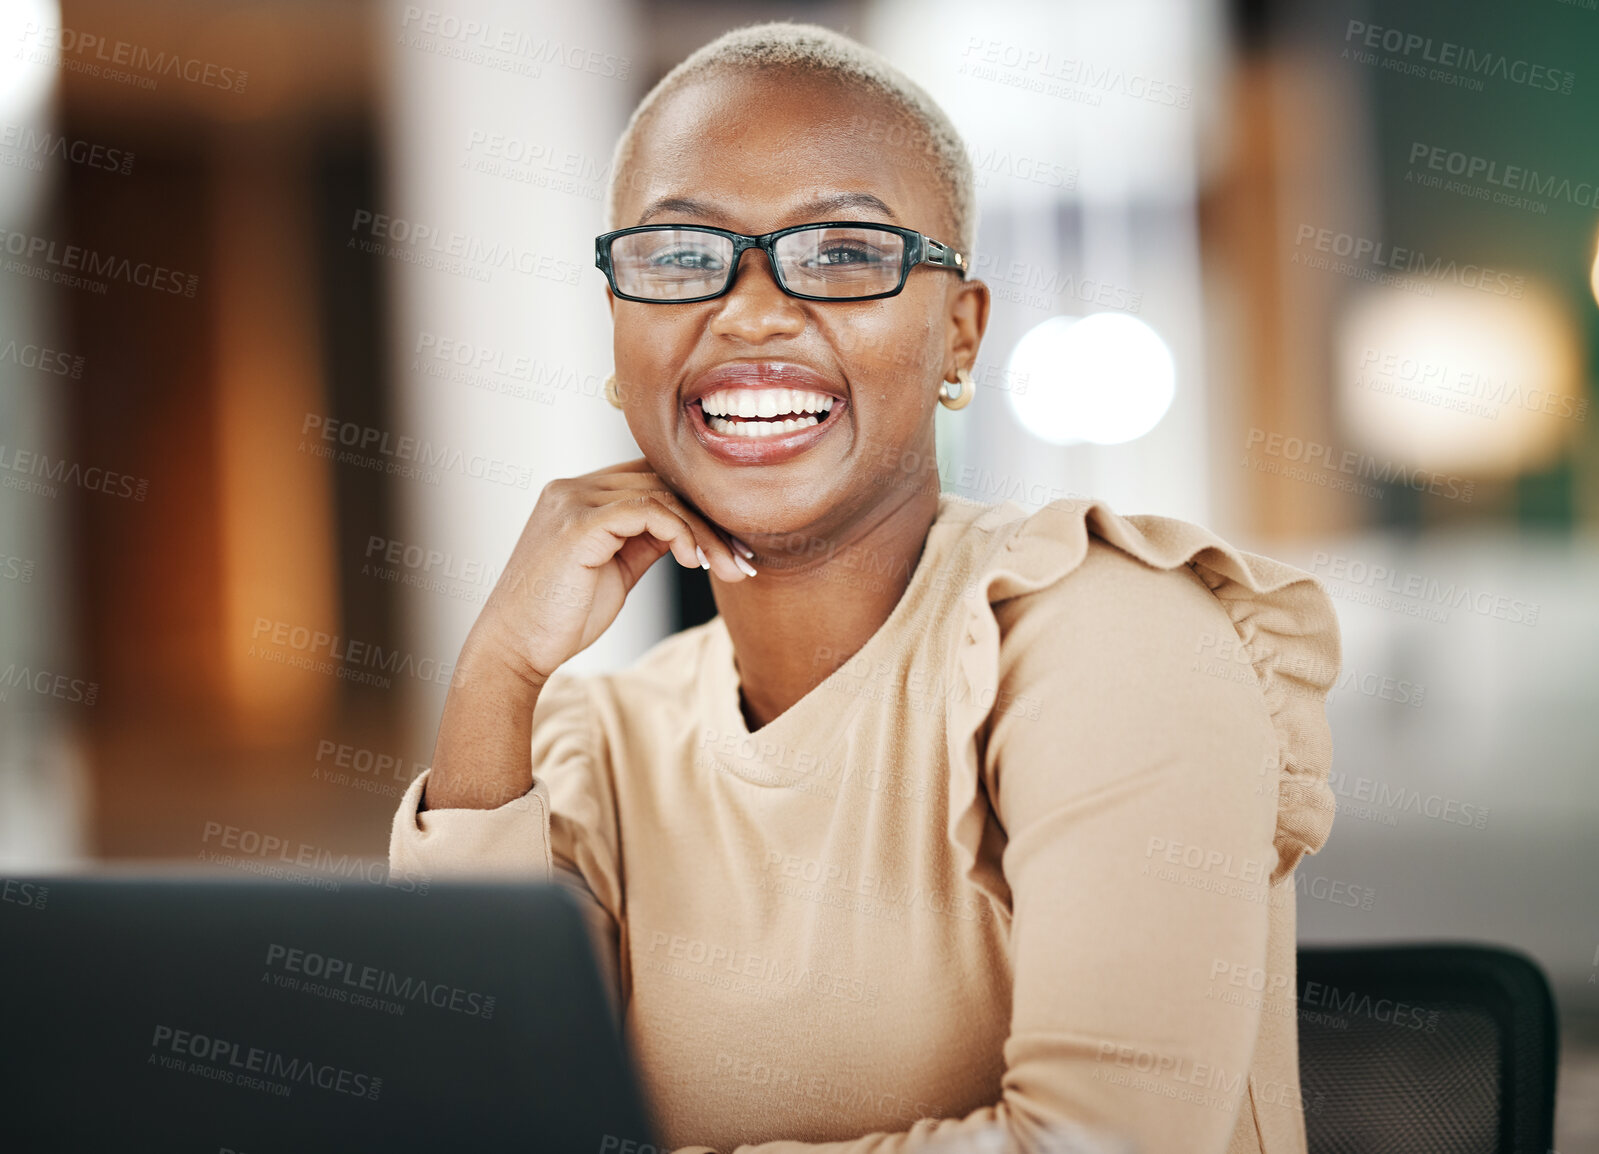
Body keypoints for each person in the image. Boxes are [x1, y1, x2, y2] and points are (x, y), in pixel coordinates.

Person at [389, 21, 1341, 1154]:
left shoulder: (1107, 638)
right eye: (682, 257)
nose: (749, 312)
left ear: (959, 335)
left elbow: (1100, 1145)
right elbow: (482, 1109)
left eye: (844, 253)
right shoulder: (599, 740)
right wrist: (496, 669)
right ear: (620, 327)